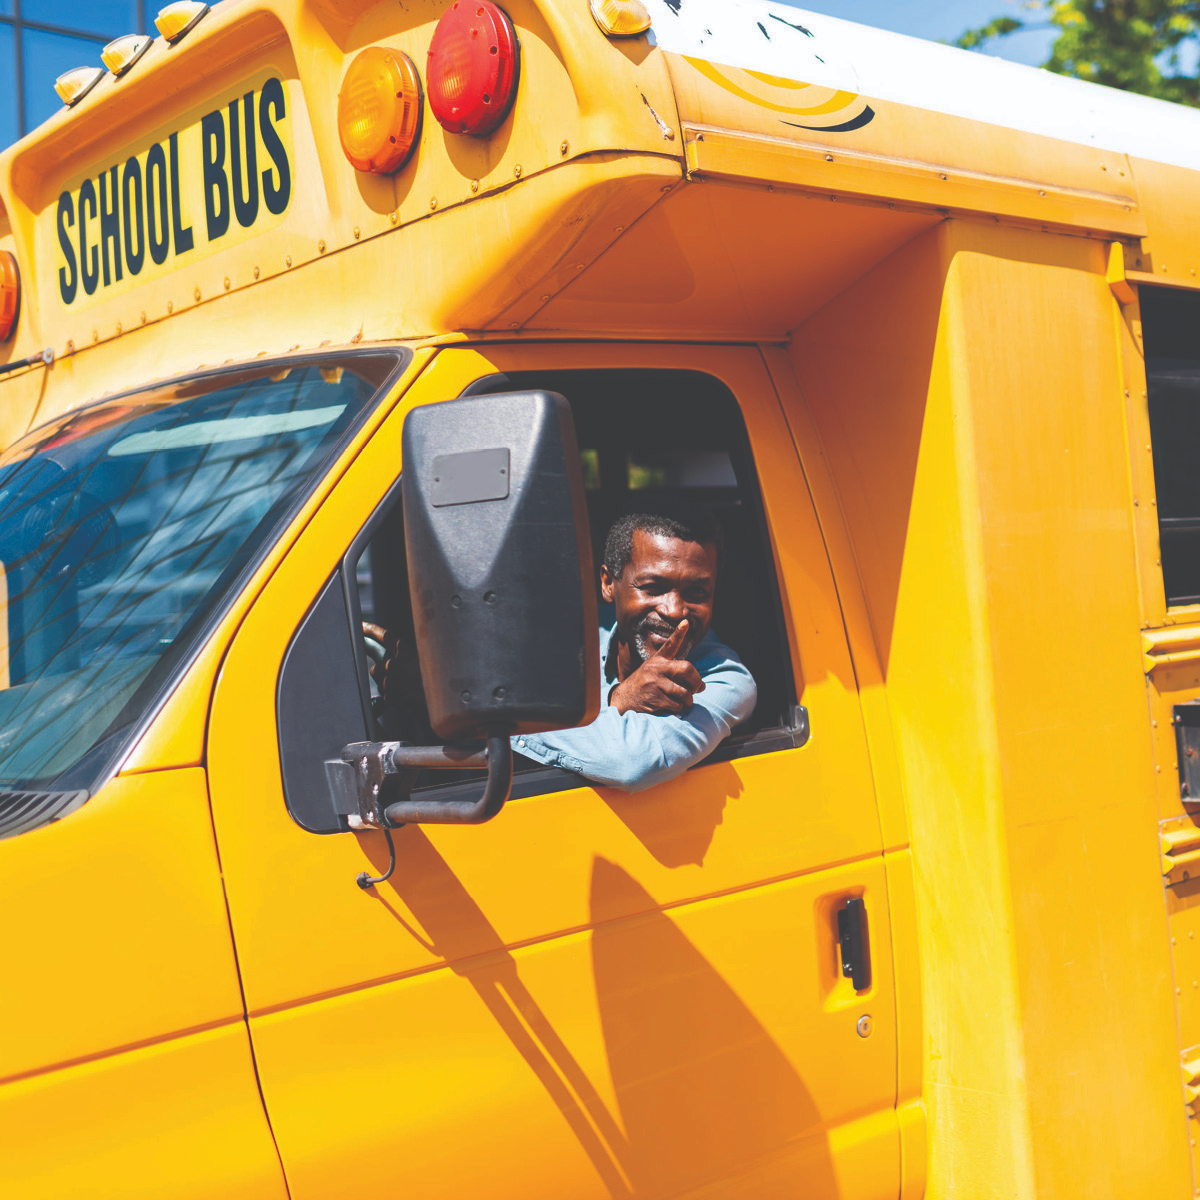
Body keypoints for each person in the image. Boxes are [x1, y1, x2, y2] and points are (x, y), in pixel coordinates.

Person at [510, 508, 756, 791]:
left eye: (696, 592)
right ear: (608, 584)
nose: (674, 611)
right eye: (653, 587)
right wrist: (617, 699)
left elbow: (630, 761)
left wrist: (505, 721)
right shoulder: (567, 633)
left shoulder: (725, 680)